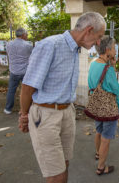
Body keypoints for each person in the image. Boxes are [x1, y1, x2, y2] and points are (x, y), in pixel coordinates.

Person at [18, 12, 106, 183]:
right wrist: (24, 115)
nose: (98, 42)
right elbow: (28, 87)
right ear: (88, 30)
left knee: (64, 165)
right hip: (45, 115)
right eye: (99, 37)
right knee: (56, 174)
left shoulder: (76, 48)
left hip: (67, 112)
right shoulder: (50, 45)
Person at [88, 35, 119, 175]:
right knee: (106, 138)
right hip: (108, 108)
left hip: (97, 104)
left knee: (99, 130)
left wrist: (111, 65)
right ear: (108, 50)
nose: (115, 51)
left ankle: (98, 154)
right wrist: (113, 69)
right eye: (114, 48)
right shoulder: (108, 69)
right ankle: (101, 167)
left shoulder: (94, 63)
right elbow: (116, 89)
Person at [4, 28, 33, 114]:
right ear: (23, 35)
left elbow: (8, 54)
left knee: (11, 90)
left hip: (13, 71)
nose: (27, 36)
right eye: (26, 34)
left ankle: (8, 109)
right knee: (26, 91)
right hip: (25, 72)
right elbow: (32, 56)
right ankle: (25, 110)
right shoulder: (28, 45)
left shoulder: (9, 44)